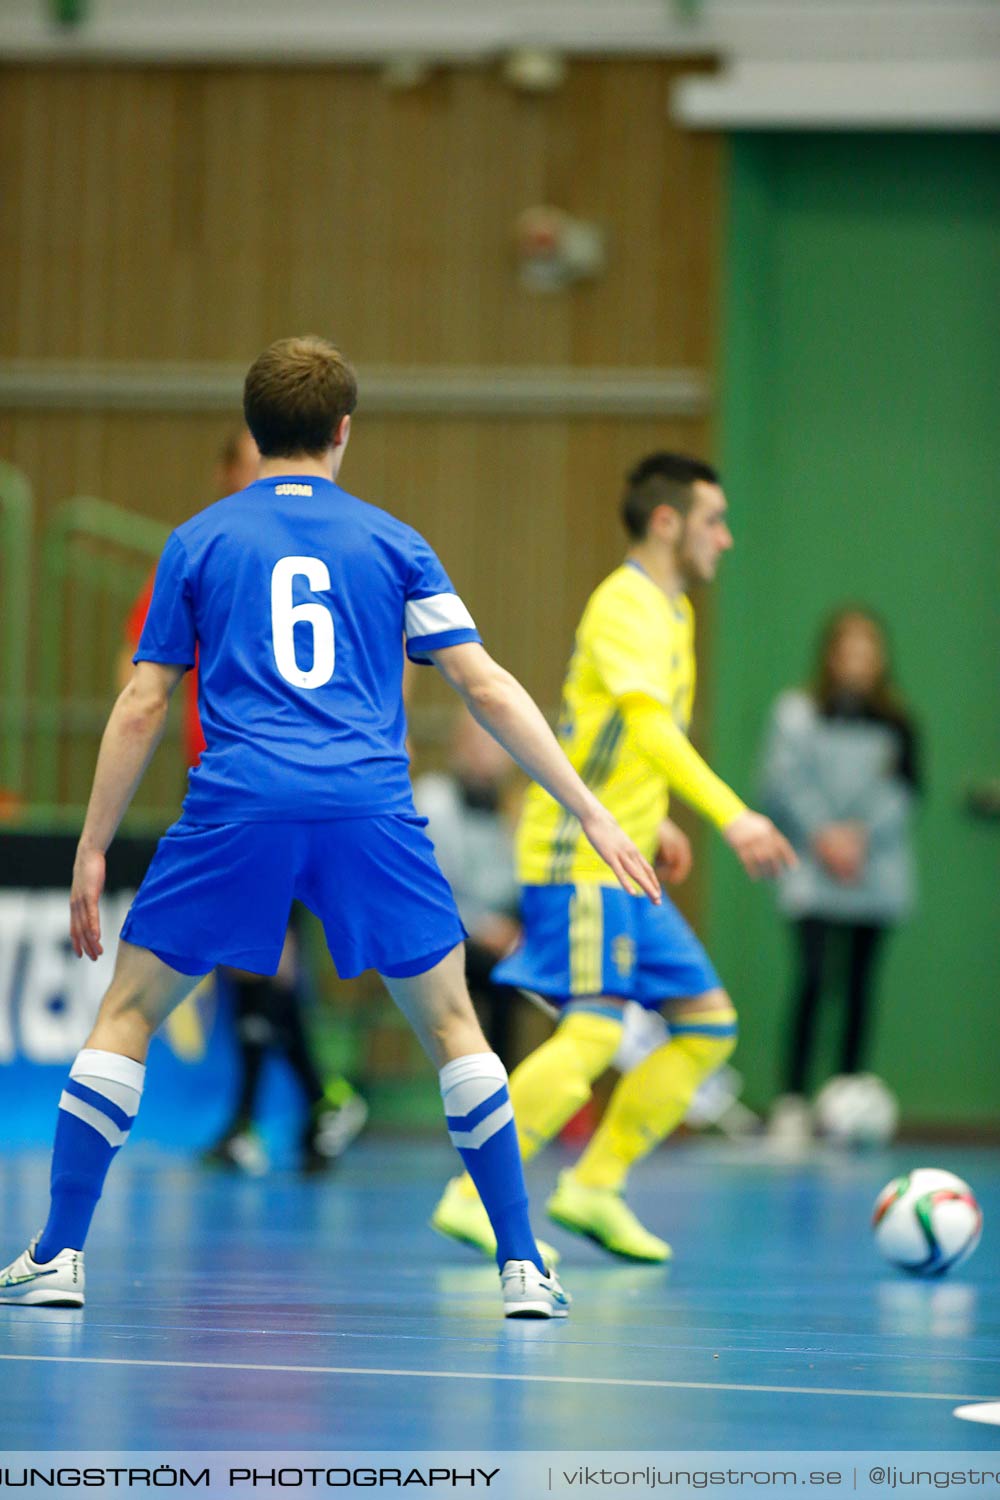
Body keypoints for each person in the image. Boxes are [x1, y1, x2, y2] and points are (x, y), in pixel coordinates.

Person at [0, 335, 660, 1319]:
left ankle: (57, 1254)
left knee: (128, 1015)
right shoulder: (395, 543)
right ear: (344, 431)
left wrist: (94, 846)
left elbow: (142, 705)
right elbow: (485, 686)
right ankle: (522, 1263)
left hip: (238, 804)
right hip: (366, 807)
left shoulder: (200, 540)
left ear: (256, 431)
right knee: (451, 1025)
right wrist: (590, 805)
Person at [432, 452, 794, 1264]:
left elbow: (624, 741)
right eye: (714, 521)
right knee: (594, 1035)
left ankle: (594, 1186)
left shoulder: (673, 611)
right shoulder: (625, 605)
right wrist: (731, 817)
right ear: (667, 522)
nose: (726, 540)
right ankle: (471, 1196)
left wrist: (655, 816)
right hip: (577, 856)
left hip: (622, 856)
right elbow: (652, 729)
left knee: (707, 1024)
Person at [120, 426, 367, 1175]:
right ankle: (303, 1103)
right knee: (252, 954)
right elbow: (140, 680)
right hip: (226, 789)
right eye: (244, 462)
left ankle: (292, 1106)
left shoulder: (321, 555)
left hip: (277, 792)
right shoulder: (202, 553)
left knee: (262, 953)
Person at [760, 607, 921, 1140]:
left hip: (874, 874)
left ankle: (847, 1103)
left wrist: (860, 837)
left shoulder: (898, 723)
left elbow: (902, 792)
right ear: (831, 656)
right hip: (813, 870)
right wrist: (825, 835)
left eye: (868, 650)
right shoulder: (797, 713)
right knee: (812, 978)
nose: (858, 661)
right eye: (848, 649)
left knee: (859, 988)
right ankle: (792, 1102)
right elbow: (782, 782)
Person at [413, 711, 524, 1062]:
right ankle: (490, 1087)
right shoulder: (433, 800)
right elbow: (431, 889)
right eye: (476, 743)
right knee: (500, 977)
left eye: (495, 744)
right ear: (457, 748)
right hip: (445, 933)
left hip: (504, 936)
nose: (485, 754)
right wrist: (483, 927)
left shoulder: (515, 808)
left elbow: (517, 888)